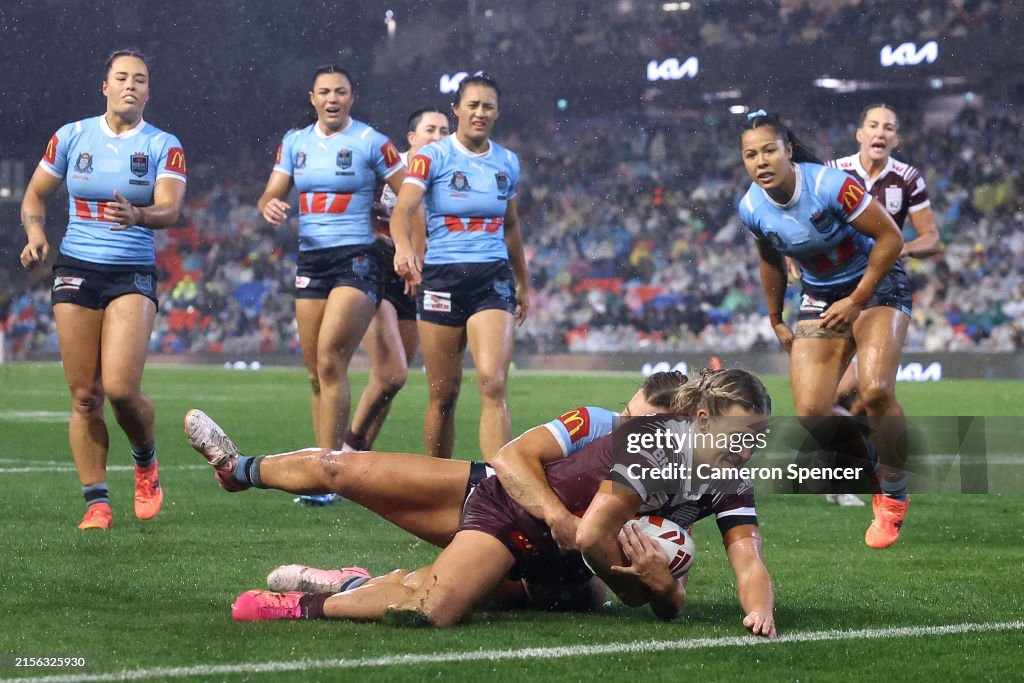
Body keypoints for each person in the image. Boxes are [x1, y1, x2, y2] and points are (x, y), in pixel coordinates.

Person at [224, 369, 777, 638]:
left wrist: (758, 612)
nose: (747, 448)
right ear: (700, 420)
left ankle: (353, 583)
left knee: (451, 591)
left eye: (757, 436)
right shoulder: (653, 446)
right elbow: (590, 535)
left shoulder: (729, 478)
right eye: (739, 434)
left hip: (569, 559)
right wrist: (651, 589)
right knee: (432, 610)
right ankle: (299, 603)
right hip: (520, 514)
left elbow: (748, 560)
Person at [186, 371, 688, 553]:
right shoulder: (596, 422)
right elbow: (510, 459)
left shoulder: (676, 475)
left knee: (427, 595)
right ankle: (239, 470)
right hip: (485, 495)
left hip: (536, 558)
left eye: (640, 424)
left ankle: (338, 584)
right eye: (628, 415)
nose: (628, 428)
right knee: (342, 471)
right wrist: (557, 516)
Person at [18, 49, 187, 530]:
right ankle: (97, 503)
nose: (131, 85)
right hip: (76, 268)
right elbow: (35, 194)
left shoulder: (163, 145)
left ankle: (145, 461)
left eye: (140, 79)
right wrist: (35, 233)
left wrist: (140, 215)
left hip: (131, 271)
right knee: (84, 396)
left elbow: (171, 209)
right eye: (122, 77)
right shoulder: (72, 136)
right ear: (105, 86)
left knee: (119, 389)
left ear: (148, 91)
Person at [738, 111, 911, 548]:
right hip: (819, 295)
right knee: (813, 413)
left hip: (876, 284)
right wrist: (776, 319)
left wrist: (856, 300)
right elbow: (770, 260)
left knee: (875, 391)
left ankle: (894, 495)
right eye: (751, 155)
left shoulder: (830, 186)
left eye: (769, 150)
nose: (761, 161)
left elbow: (891, 239)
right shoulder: (751, 208)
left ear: (788, 151)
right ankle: (878, 458)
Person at [257, 66, 407, 450]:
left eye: (340, 91)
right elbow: (271, 193)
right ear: (313, 98)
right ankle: (327, 461)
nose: (332, 99)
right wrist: (269, 204)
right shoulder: (295, 142)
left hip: (359, 257)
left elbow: (410, 194)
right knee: (315, 374)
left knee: (329, 360)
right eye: (324, 92)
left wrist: (406, 244)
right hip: (312, 261)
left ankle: (332, 467)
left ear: (352, 97)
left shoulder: (372, 142)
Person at [390, 73, 530, 460]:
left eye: (488, 106)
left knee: (493, 382)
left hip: (491, 278)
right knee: (443, 393)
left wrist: (523, 282)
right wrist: (403, 247)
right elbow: (403, 210)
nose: (480, 112)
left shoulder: (507, 162)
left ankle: (501, 484)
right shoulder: (432, 157)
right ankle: (438, 481)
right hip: (442, 279)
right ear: (457, 110)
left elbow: (511, 226)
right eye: (472, 105)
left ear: (497, 112)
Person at [826, 105, 943, 494]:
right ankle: (866, 464)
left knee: (872, 392)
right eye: (873, 125)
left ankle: (886, 478)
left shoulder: (907, 178)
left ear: (896, 139)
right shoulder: (833, 171)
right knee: (826, 399)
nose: (880, 132)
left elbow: (932, 238)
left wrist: (898, 248)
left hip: (883, 288)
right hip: (835, 286)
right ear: (860, 134)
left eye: (888, 128)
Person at [344, 108, 451, 454]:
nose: (438, 137)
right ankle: (347, 451)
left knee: (389, 381)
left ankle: (357, 456)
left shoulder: (450, 175)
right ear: (411, 137)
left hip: (418, 276)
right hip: (378, 268)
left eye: (444, 131)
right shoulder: (390, 169)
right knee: (392, 373)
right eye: (430, 130)